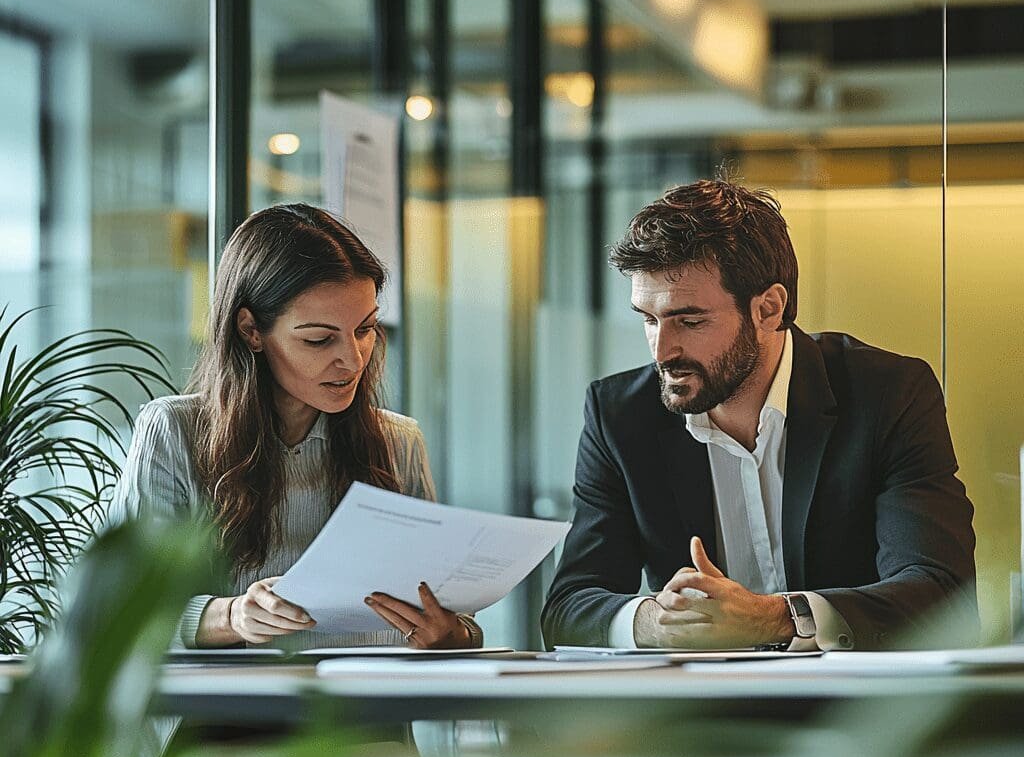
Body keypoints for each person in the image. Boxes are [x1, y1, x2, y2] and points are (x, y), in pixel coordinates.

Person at [542, 179, 977, 652]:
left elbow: (940, 592)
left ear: (769, 308)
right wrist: (654, 621)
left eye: (690, 321)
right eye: (649, 319)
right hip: (693, 718)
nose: (663, 351)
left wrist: (774, 618)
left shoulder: (888, 394)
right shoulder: (620, 416)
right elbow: (568, 607)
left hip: (860, 713)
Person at [112, 203, 481, 651]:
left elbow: (450, 613)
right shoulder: (175, 430)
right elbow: (123, 615)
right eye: (319, 339)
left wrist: (453, 631)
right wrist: (232, 616)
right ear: (250, 330)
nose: (353, 358)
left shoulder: (398, 442)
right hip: (234, 713)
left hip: (373, 709)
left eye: (365, 329)